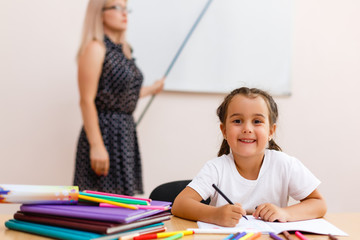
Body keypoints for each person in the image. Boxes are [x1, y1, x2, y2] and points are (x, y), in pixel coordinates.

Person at [171, 87, 327, 227]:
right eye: (237, 121)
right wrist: (215, 215)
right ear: (224, 130)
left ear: (271, 131)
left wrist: (285, 213)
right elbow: (180, 204)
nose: (247, 128)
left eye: (257, 121)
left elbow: (318, 204)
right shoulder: (216, 168)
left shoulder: (285, 164)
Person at [73, 0, 164, 195]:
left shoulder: (124, 50)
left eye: (126, 8)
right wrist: (97, 146)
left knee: (123, 203)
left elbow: (122, 94)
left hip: (125, 133)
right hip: (104, 132)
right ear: (99, 13)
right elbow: (86, 100)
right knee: (99, 204)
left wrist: (152, 88)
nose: (124, 14)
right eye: (116, 7)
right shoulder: (95, 48)